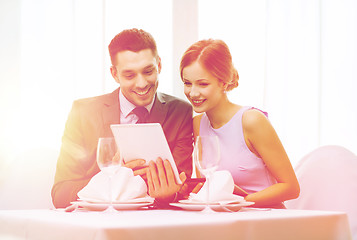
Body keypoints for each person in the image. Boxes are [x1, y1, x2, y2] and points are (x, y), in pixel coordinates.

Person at [52, 28, 193, 208]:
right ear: (114, 74)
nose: (141, 83)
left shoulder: (180, 113)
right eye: (129, 75)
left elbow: (184, 188)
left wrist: (168, 197)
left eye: (148, 71)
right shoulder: (83, 113)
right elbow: (60, 193)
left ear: (159, 65)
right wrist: (112, 180)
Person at [180, 39, 300, 208]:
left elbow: (291, 188)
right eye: (187, 83)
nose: (193, 93)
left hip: (267, 220)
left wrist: (241, 201)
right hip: (227, 220)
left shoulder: (252, 120)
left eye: (203, 84)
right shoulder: (198, 123)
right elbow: (210, 186)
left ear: (223, 82)